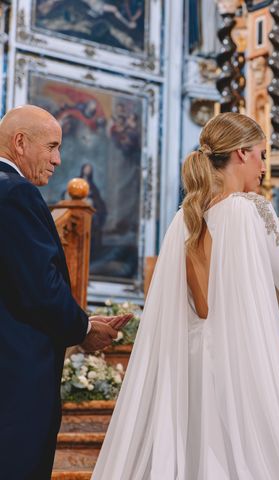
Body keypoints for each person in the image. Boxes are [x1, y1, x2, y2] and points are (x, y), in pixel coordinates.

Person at [92, 112, 279, 479]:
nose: (264, 167)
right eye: (262, 155)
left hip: (191, 372)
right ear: (242, 154)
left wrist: (275, 235)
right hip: (243, 374)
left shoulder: (184, 217)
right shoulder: (254, 209)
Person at [0, 105, 132, 480]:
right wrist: (84, 330)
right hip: (16, 382)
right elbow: (40, 289)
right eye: (53, 146)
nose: (59, 159)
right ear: (20, 143)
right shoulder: (15, 194)